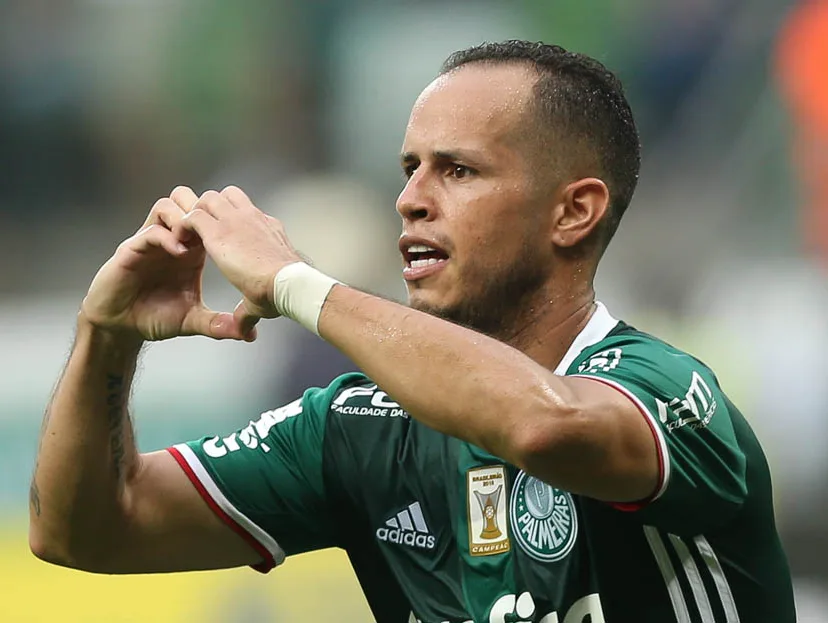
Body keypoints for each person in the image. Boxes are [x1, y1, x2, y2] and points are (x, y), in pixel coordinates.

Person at [28, 41, 796, 623]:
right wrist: (106, 333)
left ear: (574, 211)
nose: (409, 200)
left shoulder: (664, 390)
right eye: (408, 168)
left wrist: (301, 284)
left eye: (457, 171)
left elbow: (539, 422)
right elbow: (89, 529)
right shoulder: (356, 425)